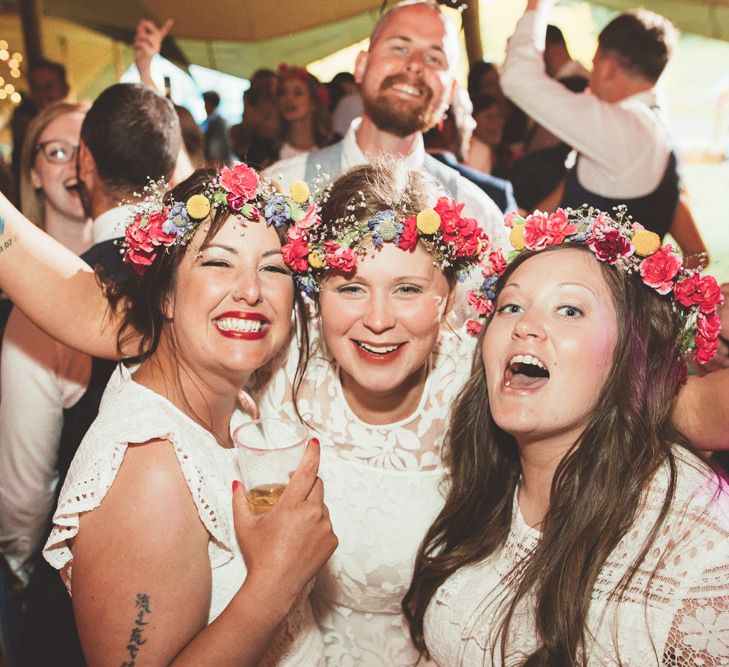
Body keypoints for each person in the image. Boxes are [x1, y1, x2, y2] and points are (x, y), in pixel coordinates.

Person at [404, 207, 729, 664]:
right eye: (511, 306)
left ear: (630, 353)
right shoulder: (484, 477)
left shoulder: (698, 558)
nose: (525, 325)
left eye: (569, 310)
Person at [42, 164, 336, 665]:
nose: (251, 290)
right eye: (219, 263)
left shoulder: (234, 407)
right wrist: (275, 584)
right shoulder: (151, 468)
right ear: (165, 295)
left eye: (273, 268)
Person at [0, 82, 180, 667]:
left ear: (86, 164)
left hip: (80, 595)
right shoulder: (210, 285)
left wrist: (25, 572)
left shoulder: (45, 310)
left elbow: (24, 489)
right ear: (172, 166)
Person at [263, 0, 506, 249]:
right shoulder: (280, 192)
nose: (415, 64)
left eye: (434, 58)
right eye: (400, 48)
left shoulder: (478, 219)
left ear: (450, 92)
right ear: (362, 66)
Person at [502, 0, 708, 259]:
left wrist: (537, 5)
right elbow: (567, 193)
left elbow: (518, 79)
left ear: (608, 67)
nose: (590, 75)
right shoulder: (650, 132)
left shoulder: (625, 127)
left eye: (594, 63)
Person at [424, 87, 516, 214]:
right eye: (466, 115)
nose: (473, 124)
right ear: (444, 124)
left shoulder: (392, 172)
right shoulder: (496, 193)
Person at [17, 101, 92, 254]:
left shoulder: (138, 258)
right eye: (58, 152)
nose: (78, 163)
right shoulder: (16, 270)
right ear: (35, 175)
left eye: (88, 150)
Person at [11, 59, 70, 183]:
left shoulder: (81, 126)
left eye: (48, 86)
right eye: (36, 88)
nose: (42, 94)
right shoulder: (26, 129)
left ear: (65, 89)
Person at [202, 90, 233, 164]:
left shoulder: (218, 124)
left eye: (206, 103)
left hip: (215, 166)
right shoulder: (210, 122)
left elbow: (215, 151)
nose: (205, 106)